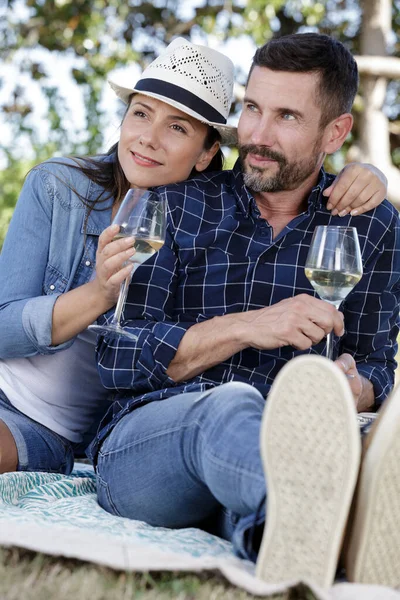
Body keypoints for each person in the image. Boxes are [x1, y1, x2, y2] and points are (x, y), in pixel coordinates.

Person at [88, 33, 400, 589]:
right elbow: (118, 358)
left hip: (265, 462)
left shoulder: (371, 227)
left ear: (335, 132)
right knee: (229, 406)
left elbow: (378, 363)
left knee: (246, 510)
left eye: (286, 116)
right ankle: (342, 515)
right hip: (151, 448)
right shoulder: (176, 203)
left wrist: (356, 390)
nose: (256, 134)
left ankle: (291, 540)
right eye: (252, 107)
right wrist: (250, 327)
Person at [0, 37, 386, 477]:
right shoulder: (61, 189)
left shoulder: (197, 211)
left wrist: (367, 173)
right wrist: (99, 293)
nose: (149, 139)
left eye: (178, 127)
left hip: (66, 432)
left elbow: (375, 361)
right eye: (140, 113)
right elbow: (13, 329)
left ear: (207, 154)